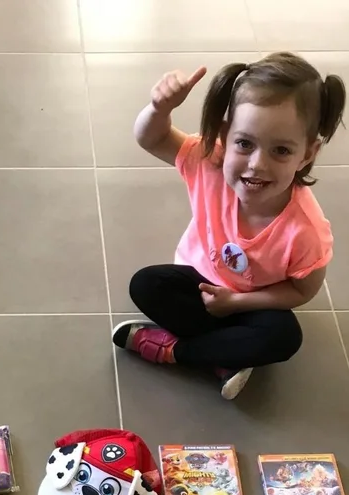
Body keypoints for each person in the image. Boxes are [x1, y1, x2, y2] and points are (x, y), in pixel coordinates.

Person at [113, 53, 346, 399]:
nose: (257, 165)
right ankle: (225, 356)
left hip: (251, 304)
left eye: (281, 150)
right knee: (146, 284)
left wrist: (236, 302)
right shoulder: (209, 162)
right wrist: (159, 108)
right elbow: (152, 139)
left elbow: (302, 291)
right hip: (198, 282)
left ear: (308, 154)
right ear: (224, 136)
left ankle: (177, 351)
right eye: (245, 144)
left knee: (284, 337)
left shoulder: (306, 230)